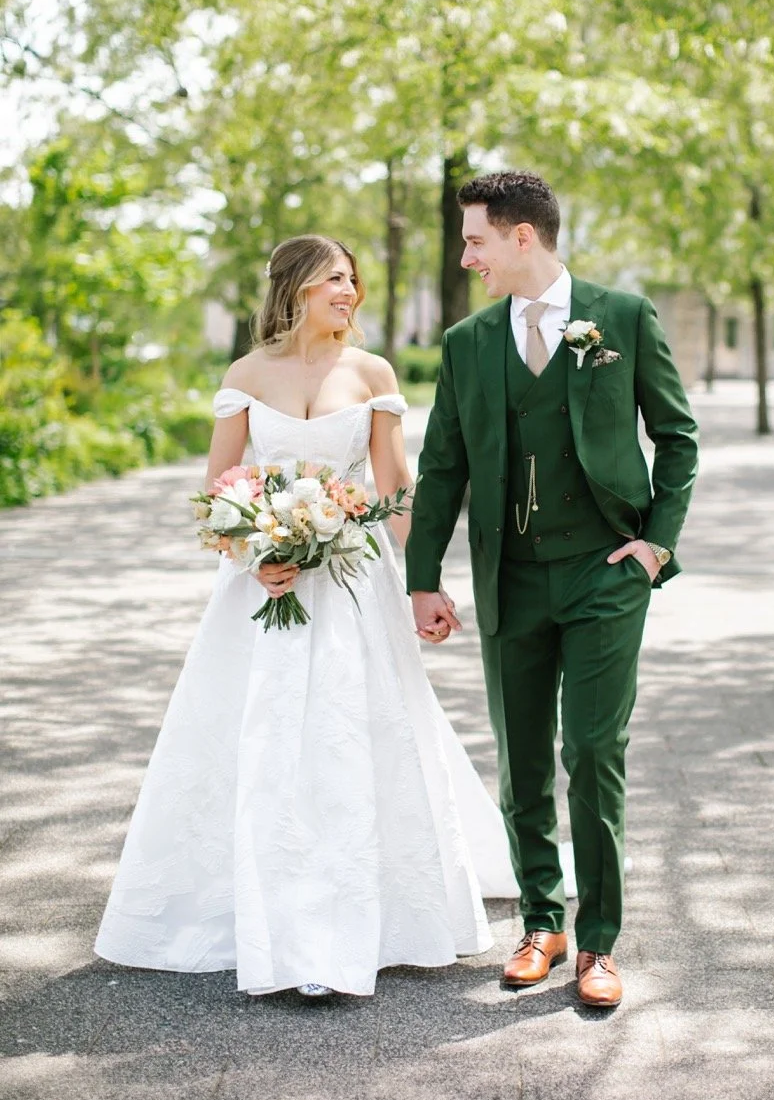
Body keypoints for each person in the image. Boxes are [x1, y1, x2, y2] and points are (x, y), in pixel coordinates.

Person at [94, 234, 519, 999]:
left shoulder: (371, 373)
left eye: (353, 280)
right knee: (262, 739)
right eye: (333, 280)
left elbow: (393, 493)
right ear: (294, 288)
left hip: (355, 586)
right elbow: (218, 496)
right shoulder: (246, 375)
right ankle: (267, 916)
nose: (349, 292)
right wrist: (251, 553)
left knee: (350, 736)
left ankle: (357, 916)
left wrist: (427, 581)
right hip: (265, 590)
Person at [407, 172, 699, 1007]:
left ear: (522, 237)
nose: (467, 258)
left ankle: (599, 943)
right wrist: (421, 580)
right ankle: (542, 921)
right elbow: (441, 468)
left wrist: (655, 545)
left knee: (593, 754)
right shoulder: (466, 343)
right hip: (509, 576)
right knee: (523, 761)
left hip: (604, 571)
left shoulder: (623, 318)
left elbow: (675, 436)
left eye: (475, 242)